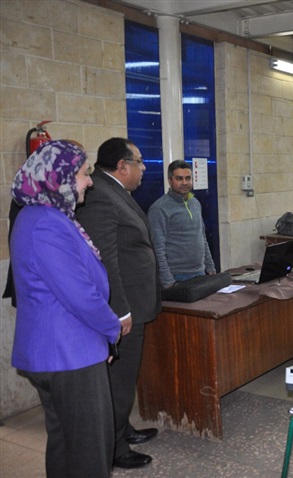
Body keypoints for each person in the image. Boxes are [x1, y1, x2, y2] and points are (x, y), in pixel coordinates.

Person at [10, 140, 122, 477]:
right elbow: (80, 294)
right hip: (69, 354)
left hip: (59, 352)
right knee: (89, 449)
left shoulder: (43, 215)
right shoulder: (46, 222)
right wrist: (112, 329)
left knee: (65, 443)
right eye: (84, 174)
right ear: (59, 178)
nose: (89, 182)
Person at [75, 138, 162, 470]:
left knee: (125, 378)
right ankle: (113, 448)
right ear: (122, 166)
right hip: (125, 308)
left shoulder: (115, 191)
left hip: (135, 302)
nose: (143, 168)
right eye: (139, 161)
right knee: (120, 381)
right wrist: (120, 310)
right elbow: (106, 261)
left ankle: (122, 429)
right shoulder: (99, 195)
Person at [148, 160, 216, 288]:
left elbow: (202, 238)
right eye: (179, 178)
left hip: (200, 272)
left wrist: (210, 267)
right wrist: (167, 281)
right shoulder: (159, 208)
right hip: (176, 276)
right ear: (170, 180)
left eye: (188, 178)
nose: (184, 183)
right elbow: (157, 248)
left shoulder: (195, 203)